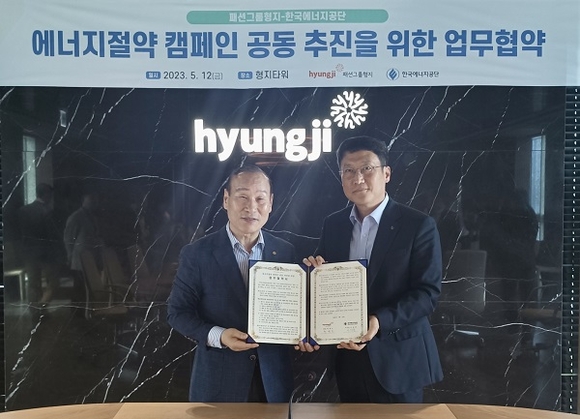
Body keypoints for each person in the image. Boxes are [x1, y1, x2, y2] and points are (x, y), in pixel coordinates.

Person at [299, 136, 444, 403]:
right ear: (341, 177)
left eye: (367, 168)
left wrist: (379, 321)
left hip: (399, 358)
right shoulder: (334, 225)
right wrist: (314, 273)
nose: (358, 178)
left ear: (386, 173)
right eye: (349, 170)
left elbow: (427, 294)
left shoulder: (418, 225)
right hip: (347, 356)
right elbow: (325, 281)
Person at [167, 164, 295, 402]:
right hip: (219, 383)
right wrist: (220, 336)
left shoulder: (286, 252)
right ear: (226, 200)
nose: (251, 207)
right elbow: (178, 313)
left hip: (273, 384)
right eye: (242, 197)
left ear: (270, 203)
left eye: (260, 198)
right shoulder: (197, 254)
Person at [18, 183, 63, 308]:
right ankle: (42, 306)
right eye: (50, 195)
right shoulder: (48, 211)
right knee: (54, 282)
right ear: (46, 195)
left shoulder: (23, 210)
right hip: (46, 253)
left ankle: (35, 312)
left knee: (33, 284)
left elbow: (20, 233)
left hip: (29, 253)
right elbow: (53, 234)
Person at [63, 189, 103, 304]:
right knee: (80, 287)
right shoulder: (76, 217)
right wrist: (70, 256)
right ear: (83, 200)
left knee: (90, 286)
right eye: (91, 199)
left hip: (92, 257)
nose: (94, 201)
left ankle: (88, 309)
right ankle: (77, 311)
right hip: (80, 259)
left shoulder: (93, 217)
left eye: (96, 199)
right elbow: (68, 238)